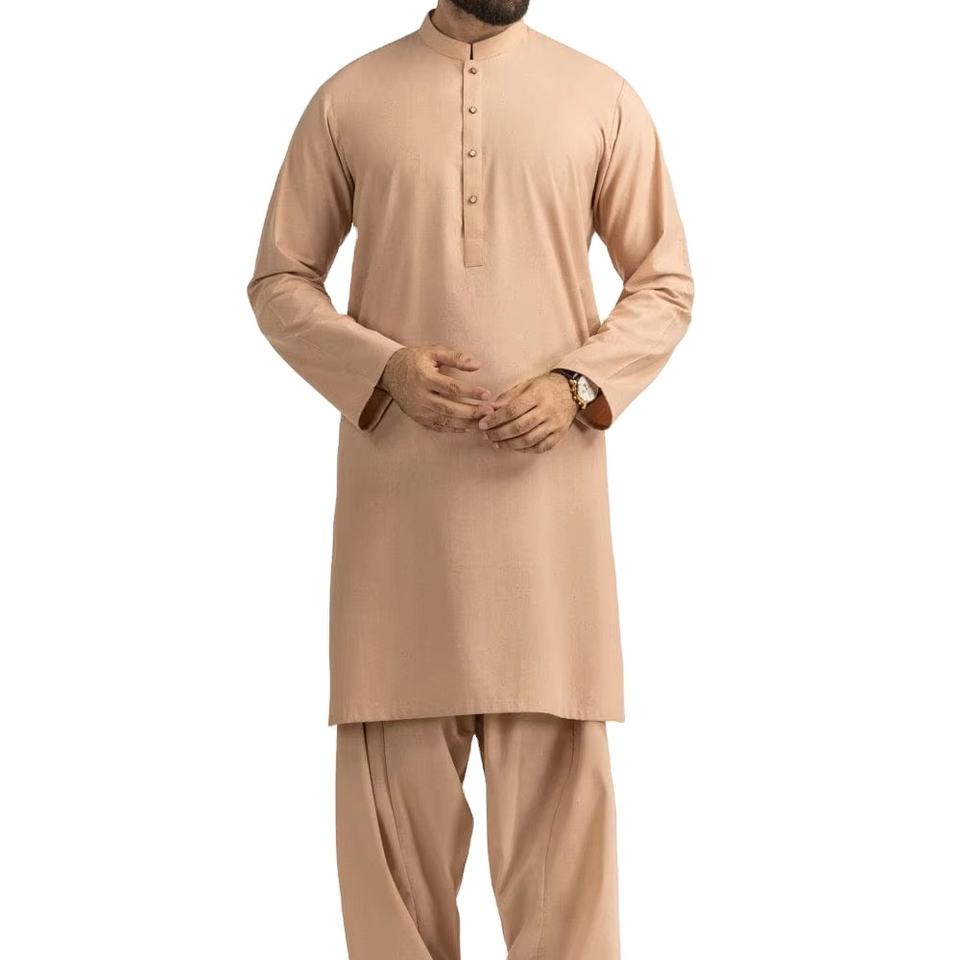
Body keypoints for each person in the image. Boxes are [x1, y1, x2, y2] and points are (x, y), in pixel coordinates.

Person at [247, 0, 693, 955]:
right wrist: (383, 369)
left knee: (566, 875)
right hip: (399, 533)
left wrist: (579, 384)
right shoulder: (349, 99)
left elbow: (664, 282)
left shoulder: (601, 98)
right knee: (393, 871)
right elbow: (280, 281)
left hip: (548, 533)